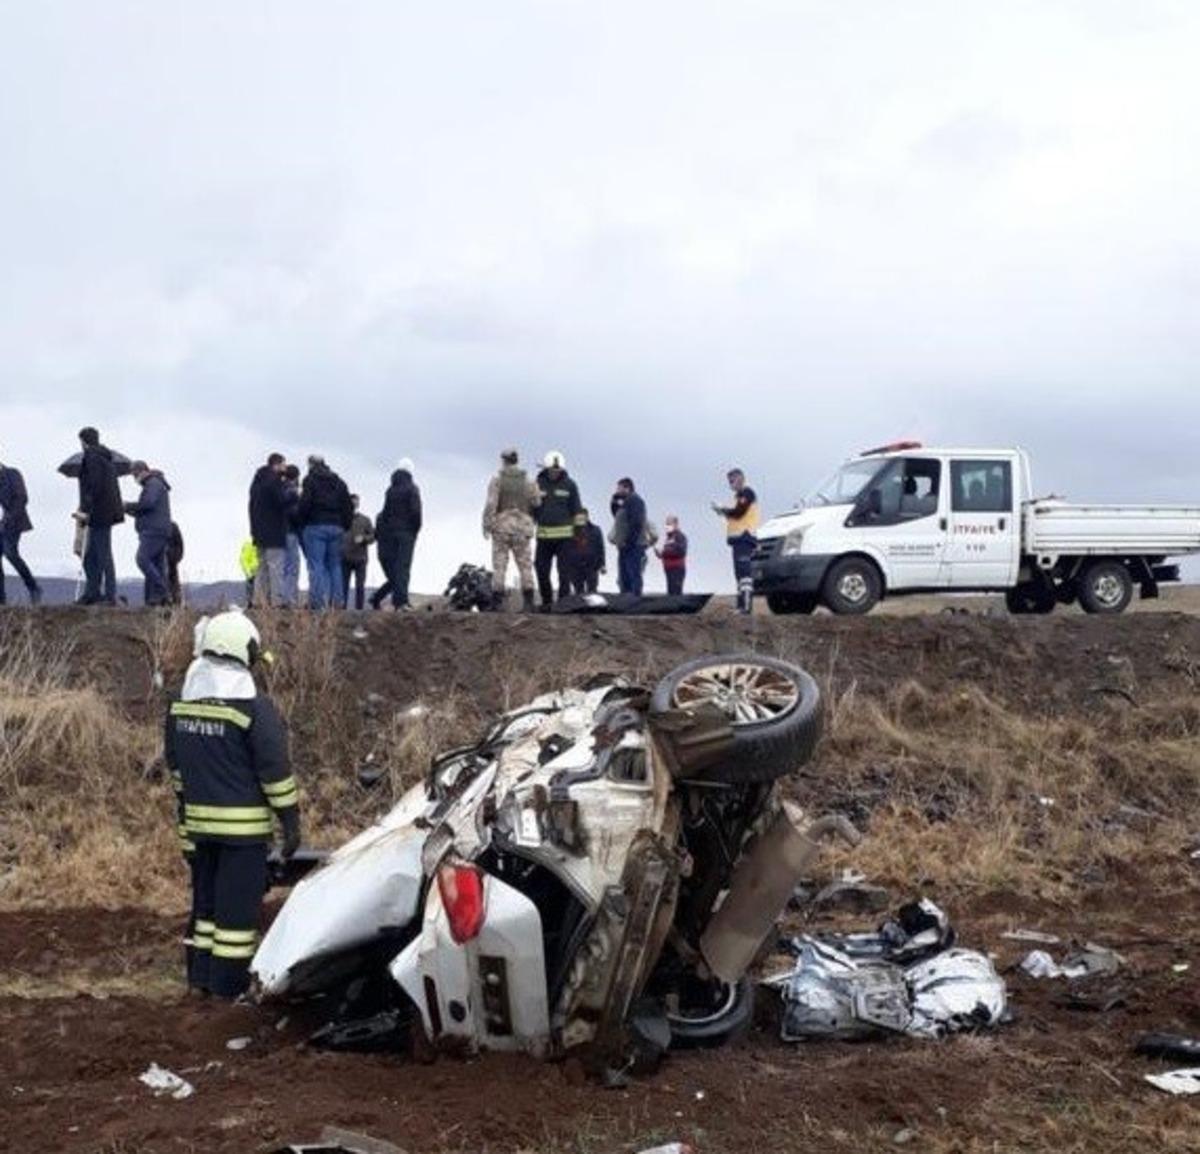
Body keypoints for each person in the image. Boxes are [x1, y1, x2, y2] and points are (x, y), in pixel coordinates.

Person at [164, 610, 300, 999]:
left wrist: (187, 821)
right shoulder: (253, 708)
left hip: (198, 831)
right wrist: (290, 825)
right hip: (242, 838)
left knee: (205, 911)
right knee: (235, 924)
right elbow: (275, 774)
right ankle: (227, 995)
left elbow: (176, 770)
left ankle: (199, 983)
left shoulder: (180, 704)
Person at [482, 449, 540, 611]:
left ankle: (497, 603)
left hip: (502, 526)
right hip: (522, 527)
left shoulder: (497, 479)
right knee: (525, 565)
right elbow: (536, 502)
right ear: (517, 460)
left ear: (504, 460)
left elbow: (491, 504)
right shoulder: (529, 481)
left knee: (500, 564)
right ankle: (529, 602)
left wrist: (487, 524)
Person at [76, 427, 125, 605]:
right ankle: (93, 592)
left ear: (83, 441)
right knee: (92, 555)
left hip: (98, 512)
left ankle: (108, 595)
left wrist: (86, 508)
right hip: (106, 512)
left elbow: (94, 485)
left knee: (102, 554)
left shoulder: (92, 457)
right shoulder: (105, 458)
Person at [297, 455, 354, 610]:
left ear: (310, 465)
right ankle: (337, 602)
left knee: (316, 565)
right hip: (336, 527)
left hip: (315, 526)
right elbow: (348, 506)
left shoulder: (310, 480)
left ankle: (317, 603)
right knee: (335, 566)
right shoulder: (339, 482)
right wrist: (345, 526)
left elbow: (305, 504)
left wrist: (302, 521)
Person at [371, 459, 422, 611]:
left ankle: (385, 598)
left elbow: (385, 513)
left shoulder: (390, 490)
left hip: (390, 534)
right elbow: (416, 512)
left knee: (397, 569)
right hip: (406, 533)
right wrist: (415, 530)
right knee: (403, 567)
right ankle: (401, 602)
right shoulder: (412, 489)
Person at [534, 451, 582, 609]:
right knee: (541, 569)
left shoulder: (570, 485)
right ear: (547, 469)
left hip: (565, 539)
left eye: (557, 470)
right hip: (543, 537)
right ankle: (547, 601)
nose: (555, 473)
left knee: (564, 573)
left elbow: (577, 511)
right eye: (552, 470)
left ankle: (563, 603)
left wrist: (580, 533)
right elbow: (531, 508)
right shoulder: (537, 483)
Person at [124, 461, 173, 606]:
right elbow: (146, 510)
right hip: (160, 530)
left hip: (153, 531)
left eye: (135, 474)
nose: (135, 478)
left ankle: (163, 591)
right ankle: (157, 600)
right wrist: (128, 510)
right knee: (157, 566)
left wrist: (128, 505)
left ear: (143, 471)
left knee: (142, 559)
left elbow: (148, 503)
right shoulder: (156, 484)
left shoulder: (153, 484)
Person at [713, 467, 760, 614]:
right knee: (739, 574)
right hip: (738, 539)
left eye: (732, 480)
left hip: (744, 537)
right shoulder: (737, 497)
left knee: (744, 574)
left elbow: (739, 513)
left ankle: (745, 607)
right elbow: (735, 514)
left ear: (740, 478)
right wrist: (723, 512)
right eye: (729, 481)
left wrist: (724, 510)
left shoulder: (747, 493)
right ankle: (741, 606)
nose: (731, 484)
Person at [247, 453, 289, 607]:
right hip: (275, 531)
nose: (285, 468)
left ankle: (259, 601)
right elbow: (282, 501)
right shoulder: (275, 481)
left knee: (261, 569)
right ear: (276, 464)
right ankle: (277, 602)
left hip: (259, 532)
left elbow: (251, 507)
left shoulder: (256, 483)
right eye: (284, 464)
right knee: (275, 567)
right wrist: (292, 494)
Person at [0, 456, 43, 606]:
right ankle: (1, 600)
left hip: (14, 521)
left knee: (10, 553)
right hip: (3, 522)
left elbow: (22, 497)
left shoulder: (12, 474)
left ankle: (33, 587)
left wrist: (9, 518)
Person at [610, 478, 647, 596]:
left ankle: (635, 599)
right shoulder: (626, 502)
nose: (617, 491)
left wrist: (629, 541)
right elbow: (617, 517)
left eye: (619, 488)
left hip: (633, 545)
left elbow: (636, 523)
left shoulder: (635, 501)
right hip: (624, 546)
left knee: (633, 574)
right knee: (624, 575)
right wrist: (614, 502)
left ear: (627, 488)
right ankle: (625, 598)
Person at [341, 495, 375, 611]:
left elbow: (373, 536)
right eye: (352, 502)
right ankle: (342, 610)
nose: (355, 504)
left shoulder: (365, 520)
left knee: (360, 586)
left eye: (356, 502)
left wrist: (364, 539)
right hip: (344, 557)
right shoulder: (341, 518)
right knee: (343, 586)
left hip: (360, 558)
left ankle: (359, 611)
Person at [565, 509, 606, 595]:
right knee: (578, 592)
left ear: (587, 517)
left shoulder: (596, 530)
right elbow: (566, 549)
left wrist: (602, 564)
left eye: (583, 517)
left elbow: (600, 548)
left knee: (592, 592)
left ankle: (592, 608)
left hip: (592, 566)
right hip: (575, 567)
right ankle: (581, 608)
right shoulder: (570, 531)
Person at [282, 464, 302, 607]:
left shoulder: (279, 489)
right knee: (292, 567)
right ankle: (289, 600)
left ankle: (281, 597)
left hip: (278, 532)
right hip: (291, 532)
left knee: (282, 567)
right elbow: (295, 514)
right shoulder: (293, 493)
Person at [658, 515, 688, 595]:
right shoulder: (668, 538)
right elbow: (667, 552)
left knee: (676, 592)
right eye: (666, 523)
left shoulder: (680, 536)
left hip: (677, 568)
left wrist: (665, 552)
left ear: (676, 524)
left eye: (670, 524)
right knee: (670, 592)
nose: (667, 526)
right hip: (669, 569)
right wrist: (660, 554)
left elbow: (681, 551)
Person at [166, 522, 185, 606]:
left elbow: (180, 545)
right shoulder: (153, 525)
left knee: (174, 588)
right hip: (157, 565)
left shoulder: (172, 526)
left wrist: (174, 558)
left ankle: (176, 605)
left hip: (171, 564)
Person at [239, 540, 259, 606]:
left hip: (262, 573)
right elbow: (243, 560)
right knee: (251, 590)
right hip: (252, 573)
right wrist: (249, 574)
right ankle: (250, 604)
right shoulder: (248, 544)